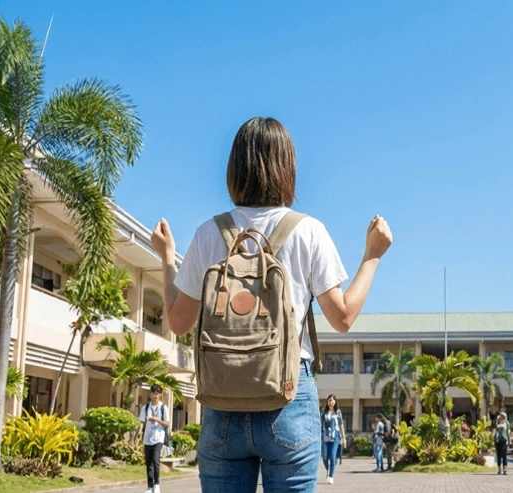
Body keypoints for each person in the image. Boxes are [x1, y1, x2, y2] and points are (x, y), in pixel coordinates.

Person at [151, 116, 393, 492]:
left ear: (235, 167)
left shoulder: (207, 234)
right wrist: (372, 255)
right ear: (287, 168)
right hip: (288, 396)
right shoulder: (308, 230)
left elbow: (179, 322)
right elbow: (342, 317)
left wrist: (168, 259)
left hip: (222, 400)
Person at [139, 385, 170, 493]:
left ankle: (156, 484)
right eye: (153, 393)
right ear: (150, 394)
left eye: (157, 393)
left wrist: (156, 419)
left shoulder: (163, 407)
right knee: (149, 462)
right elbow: (142, 421)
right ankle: (149, 485)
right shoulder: (146, 407)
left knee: (156, 460)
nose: (155, 395)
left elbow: (167, 423)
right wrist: (139, 433)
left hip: (158, 438)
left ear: (160, 394)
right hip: (148, 438)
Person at [320, 395, 346, 484]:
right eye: (329, 400)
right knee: (325, 457)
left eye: (333, 400)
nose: (331, 402)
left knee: (332, 456)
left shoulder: (338, 412)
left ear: (335, 402)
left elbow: (341, 425)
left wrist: (343, 438)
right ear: (327, 402)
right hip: (325, 437)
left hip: (335, 437)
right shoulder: (324, 411)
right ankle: (328, 470)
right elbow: (320, 423)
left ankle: (331, 476)